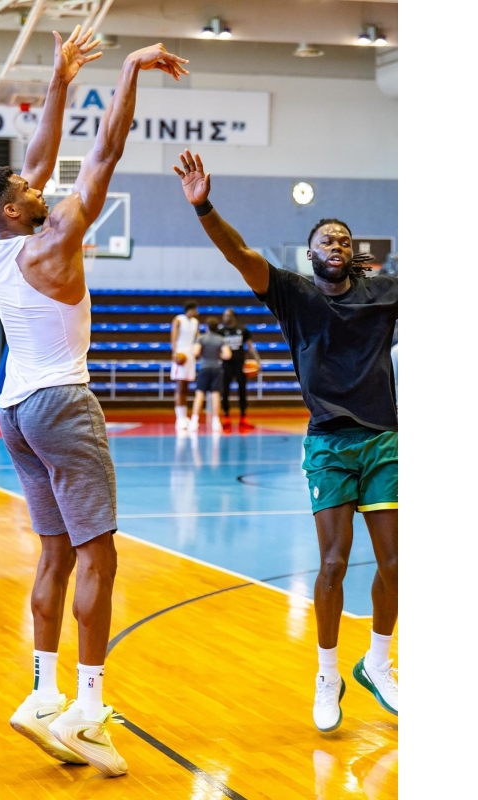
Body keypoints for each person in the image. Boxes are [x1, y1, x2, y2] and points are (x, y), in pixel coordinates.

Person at [0, 29, 189, 777]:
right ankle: (89, 712)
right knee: (99, 553)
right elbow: (106, 151)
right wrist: (128, 70)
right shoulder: (53, 238)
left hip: (15, 411)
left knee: (55, 550)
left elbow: (38, 155)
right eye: (29, 191)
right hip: (63, 402)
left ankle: (42, 694)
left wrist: (59, 79)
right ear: (13, 211)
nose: (42, 186)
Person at [173, 150, 397, 733]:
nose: (336, 244)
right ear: (310, 252)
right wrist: (204, 207)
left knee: (397, 563)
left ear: (353, 252)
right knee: (333, 562)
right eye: (326, 239)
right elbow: (239, 253)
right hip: (329, 444)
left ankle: (377, 662)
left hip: (384, 440)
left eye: (344, 239)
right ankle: (327, 673)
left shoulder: (384, 293)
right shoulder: (294, 294)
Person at [217, 307, 261, 433]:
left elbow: (250, 347)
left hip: (240, 364)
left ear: (233, 317)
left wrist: (257, 360)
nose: (224, 317)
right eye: (224, 315)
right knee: (225, 391)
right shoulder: (221, 331)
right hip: (226, 365)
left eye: (227, 315)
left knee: (242, 391)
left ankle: (243, 418)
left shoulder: (243, 330)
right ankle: (226, 418)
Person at [189, 316, 232, 432]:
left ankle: (194, 421)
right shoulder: (220, 339)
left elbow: (196, 352)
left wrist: (201, 354)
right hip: (216, 368)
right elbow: (227, 355)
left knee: (199, 394)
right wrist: (218, 355)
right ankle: (216, 422)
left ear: (207, 327)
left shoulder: (201, 338)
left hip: (204, 367)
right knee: (215, 395)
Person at [171, 301, 199, 430]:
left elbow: (198, 338)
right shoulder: (179, 319)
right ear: (190, 309)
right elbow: (173, 337)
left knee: (186, 387)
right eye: (196, 309)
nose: (197, 312)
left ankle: (184, 415)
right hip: (181, 353)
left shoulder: (195, 322)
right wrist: (175, 352)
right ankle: (179, 418)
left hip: (190, 355)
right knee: (180, 385)